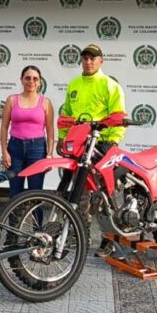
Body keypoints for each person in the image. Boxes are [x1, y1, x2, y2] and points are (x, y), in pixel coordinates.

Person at [57, 44, 127, 256]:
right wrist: (62, 139)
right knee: (80, 193)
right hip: (80, 146)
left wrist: (111, 143)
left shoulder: (110, 85)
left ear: (100, 61)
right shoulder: (74, 84)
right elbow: (66, 114)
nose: (88, 61)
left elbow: (119, 117)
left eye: (93, 58)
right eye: (85, 58)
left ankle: (110, 240)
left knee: (106, 194)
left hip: (102, 146)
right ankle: (82, 235)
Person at [0, 65, 55, 198]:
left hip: (37, 149)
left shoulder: (46, 102)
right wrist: (4, 152)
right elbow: (4, 127)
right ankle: (14, 220)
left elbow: (50, 131)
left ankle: (37, 220)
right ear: (21, 80)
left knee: (35, 193)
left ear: (40, 81)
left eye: (35, 78)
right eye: (27, 78)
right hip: (15, 149)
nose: (31, 81)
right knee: (15, 193)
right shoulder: (12, 100)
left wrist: (49, 155)